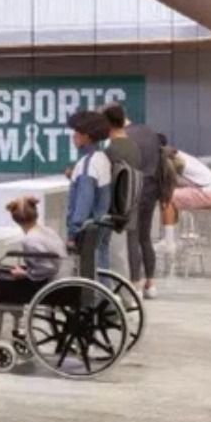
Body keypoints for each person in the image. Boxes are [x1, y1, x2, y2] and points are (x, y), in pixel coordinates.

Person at [0, 195, 68, 340]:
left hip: (48, 282)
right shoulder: (47, 231)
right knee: (0, 274)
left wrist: (25, 274)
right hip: (59, 275)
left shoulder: (30, 240)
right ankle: (14, 319)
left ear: (15, 219)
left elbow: (47, 268)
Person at [103, 104, 161, 295]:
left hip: (132, 190)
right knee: (145, 237)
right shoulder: (149, 131)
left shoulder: (121, 141)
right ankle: (151, 282)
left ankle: (135, 282)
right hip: (152, 189)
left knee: (131, 237)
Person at [64, 110, 114, 274]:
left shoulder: (87, 164)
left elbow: (83, 204)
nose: (73, 137)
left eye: (76, 133)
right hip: (102, 226)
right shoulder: (102, 158)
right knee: (102, 269)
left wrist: (72, 234)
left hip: (88, 232)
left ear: (85, 136)